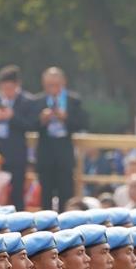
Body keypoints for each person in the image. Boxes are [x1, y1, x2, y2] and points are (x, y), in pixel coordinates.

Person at [0, 65, 35, 211]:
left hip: (16, 152)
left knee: (16, 191)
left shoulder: (27, 101)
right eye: (3, 88)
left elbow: (31, 125)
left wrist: (12, 117)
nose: (6, 91)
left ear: (17, 85)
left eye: (10, 88)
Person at [35, 67, 89, 211]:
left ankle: (65, 222)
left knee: (66, 193)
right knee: (45, 195)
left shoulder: (73, 100)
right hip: (45, 152)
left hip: (65, 151)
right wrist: (42, 119)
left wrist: (66, 118)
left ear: (63, 82)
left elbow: (83, 123)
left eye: (56, 85)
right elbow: (29, 124)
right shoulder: (38, 100)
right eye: (49, 85)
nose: (53, 88)